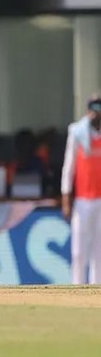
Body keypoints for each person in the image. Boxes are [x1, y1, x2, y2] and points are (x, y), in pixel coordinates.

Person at [61, 94, 101, 284]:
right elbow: (69, 167)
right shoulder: (77, 132)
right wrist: (66, 198)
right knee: (78, 251)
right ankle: (77, 288)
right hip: (83, 199)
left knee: (99, 252)